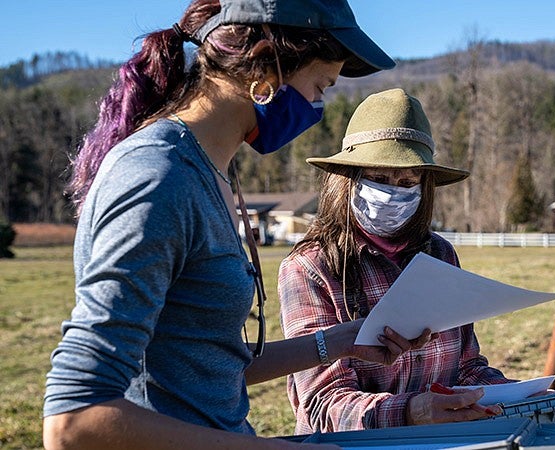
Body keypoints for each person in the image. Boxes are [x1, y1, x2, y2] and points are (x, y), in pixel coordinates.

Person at [43, 2, 432, 449]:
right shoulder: (159, 177)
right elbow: (73, 420)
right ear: (266, 66)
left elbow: (203, 365)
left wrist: (340, 341)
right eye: (320, 85)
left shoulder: (212, 171)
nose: (319, 105)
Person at [279, 88, 516, 434]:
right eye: (378, 178)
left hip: (442, 442)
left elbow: (465, 366)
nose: (393, 191)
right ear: (347, 180)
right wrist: (410, 412)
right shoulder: (311, 267)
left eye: (407, 181)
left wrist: (516, 394)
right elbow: (322, 404)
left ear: (425, 186)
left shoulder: (441, 255)